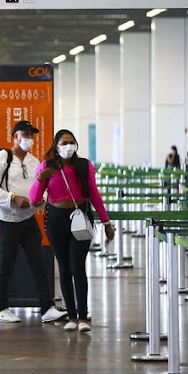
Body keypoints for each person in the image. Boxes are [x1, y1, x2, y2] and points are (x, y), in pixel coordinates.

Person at [30, 129, 115, 332]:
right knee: (64, 268)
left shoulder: (84, 166)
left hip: (80, 218)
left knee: (78, 266)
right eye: (63, 143)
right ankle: (71, 315)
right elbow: (34, 199)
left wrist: (106, 222)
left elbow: (94, 194)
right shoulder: (47, 166)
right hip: (56, 220)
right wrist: (41, 178)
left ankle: (83, 316)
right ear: (56, 146)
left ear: (76, 145)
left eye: (71, 142)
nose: (68, 146)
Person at [0, 120, 66, 324]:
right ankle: (0, 308)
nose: (29, 138)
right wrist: (12, 198)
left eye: (31, 135)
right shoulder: (2, 157)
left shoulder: (33, 161)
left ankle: (46, 307)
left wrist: (40, 201)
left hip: (28, 219)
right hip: (8, 219)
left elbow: (42, 188)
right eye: (25, 134)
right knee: (6, 264)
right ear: (15, 137)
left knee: (39, 263)